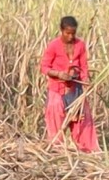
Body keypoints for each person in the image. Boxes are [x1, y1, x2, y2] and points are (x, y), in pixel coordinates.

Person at [40, 16, 100, 153]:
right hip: (57, 89)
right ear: (62, 31)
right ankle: (57, 149)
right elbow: (44, 67)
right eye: (67, 33)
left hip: (75, 89)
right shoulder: (53, 46)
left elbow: (84, 66)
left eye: (73, 33)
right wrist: (59, 74)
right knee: (55, 118)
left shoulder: (80, 45)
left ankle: (87, 149)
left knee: (82, 119)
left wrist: (86, 79)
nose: (71, 36)